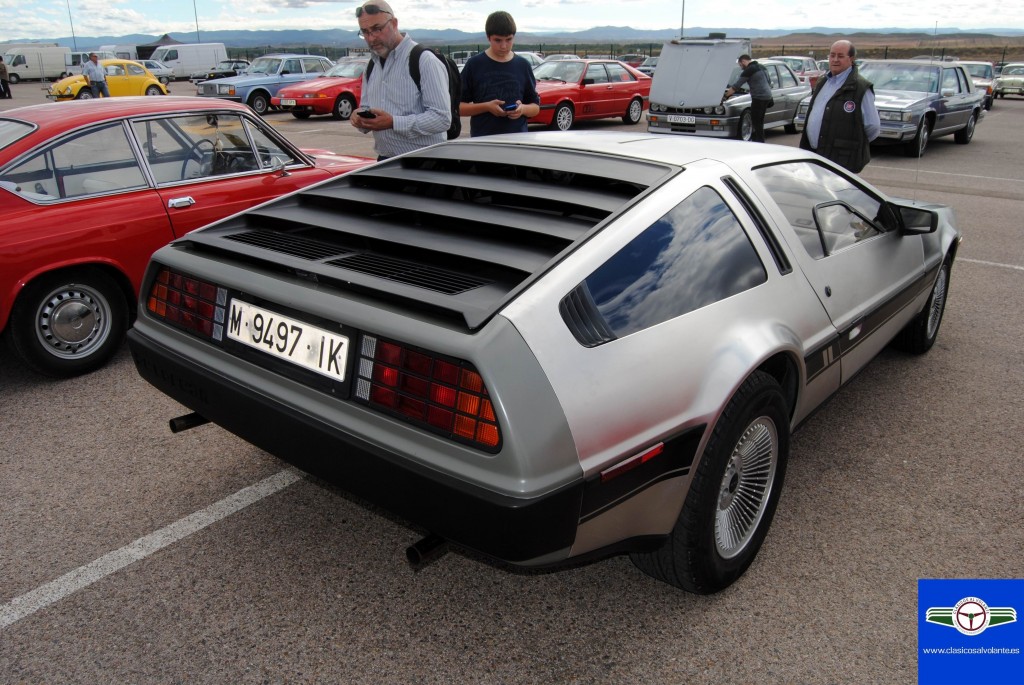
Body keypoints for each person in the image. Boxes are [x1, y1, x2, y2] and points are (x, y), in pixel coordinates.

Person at [351, 0, 451, 160]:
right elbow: (367, 107)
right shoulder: (371, 65)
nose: (371, 38)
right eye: (365, 32)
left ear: (394, 23)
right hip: (386, 161)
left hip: (425, 162)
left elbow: (442, 119)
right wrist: (360, 118)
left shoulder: (424, 60)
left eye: (377, 29)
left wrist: (393, 122)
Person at [799, 40, 880, 173]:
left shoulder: (860, 88)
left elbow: (873, 127)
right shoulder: (823, 82)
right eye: (832, 55)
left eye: (840, 56)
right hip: (814, 155)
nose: (835, 59)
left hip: (842, 161)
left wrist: (851, 145)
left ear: (851, 59)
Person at [458, 11, 540, 137]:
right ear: (488, 37)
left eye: (509, 39)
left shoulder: (523, 65)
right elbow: (458, 108)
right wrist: (487, 107)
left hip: (518, 141)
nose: (503, 46)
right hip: (485, 141)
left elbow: (535, 108)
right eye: (498, 40)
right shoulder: (474, 64)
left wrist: (522, 109)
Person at [724, 54, 772, 142]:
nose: (741, 67)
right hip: (767, 96)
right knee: (760, 120)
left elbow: (736, 86)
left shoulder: (749, 70)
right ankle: (758, 140)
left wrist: (725, 96)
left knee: (756, 121)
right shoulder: (762, 67)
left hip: (759, 97)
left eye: (740, 65)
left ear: (743, 61)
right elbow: (768, 81)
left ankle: (759, 141)